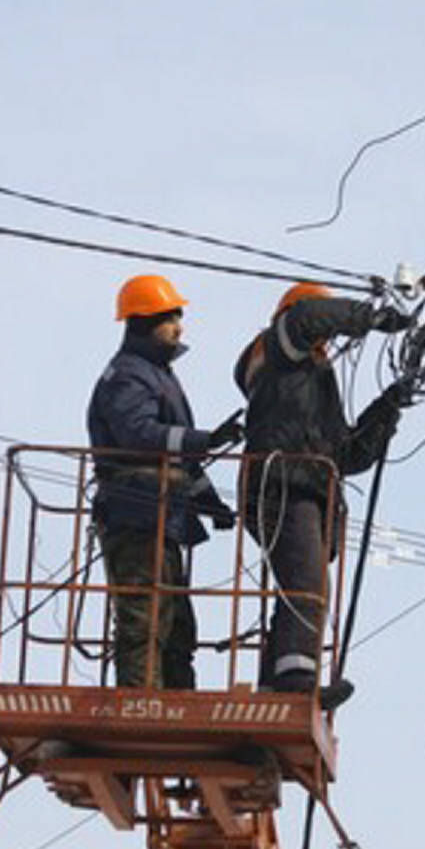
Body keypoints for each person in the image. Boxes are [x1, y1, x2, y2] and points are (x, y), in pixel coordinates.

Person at [233, 282, 407, 709]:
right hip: (284, 484)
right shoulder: (277, 352)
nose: (327, 342)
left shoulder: (309, 381)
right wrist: (374, 317)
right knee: (308, 583)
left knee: (298, 583)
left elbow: (345, 453)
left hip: (303, 484)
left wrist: (388, 408)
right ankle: (296, 682)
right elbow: (308, 318)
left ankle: (277, 684)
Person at [88, 273, 242, 690]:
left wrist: (212, 505)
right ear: (142, 322)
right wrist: (204, 439)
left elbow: (179, 463)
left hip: (162, 516)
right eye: (170, 318)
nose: (180, 326)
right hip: (136, 512)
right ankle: (140, 705)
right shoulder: (127, 376)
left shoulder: (157, 376)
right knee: (145, 619)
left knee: (176, 627)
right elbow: (139, 436)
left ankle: (175, 704)